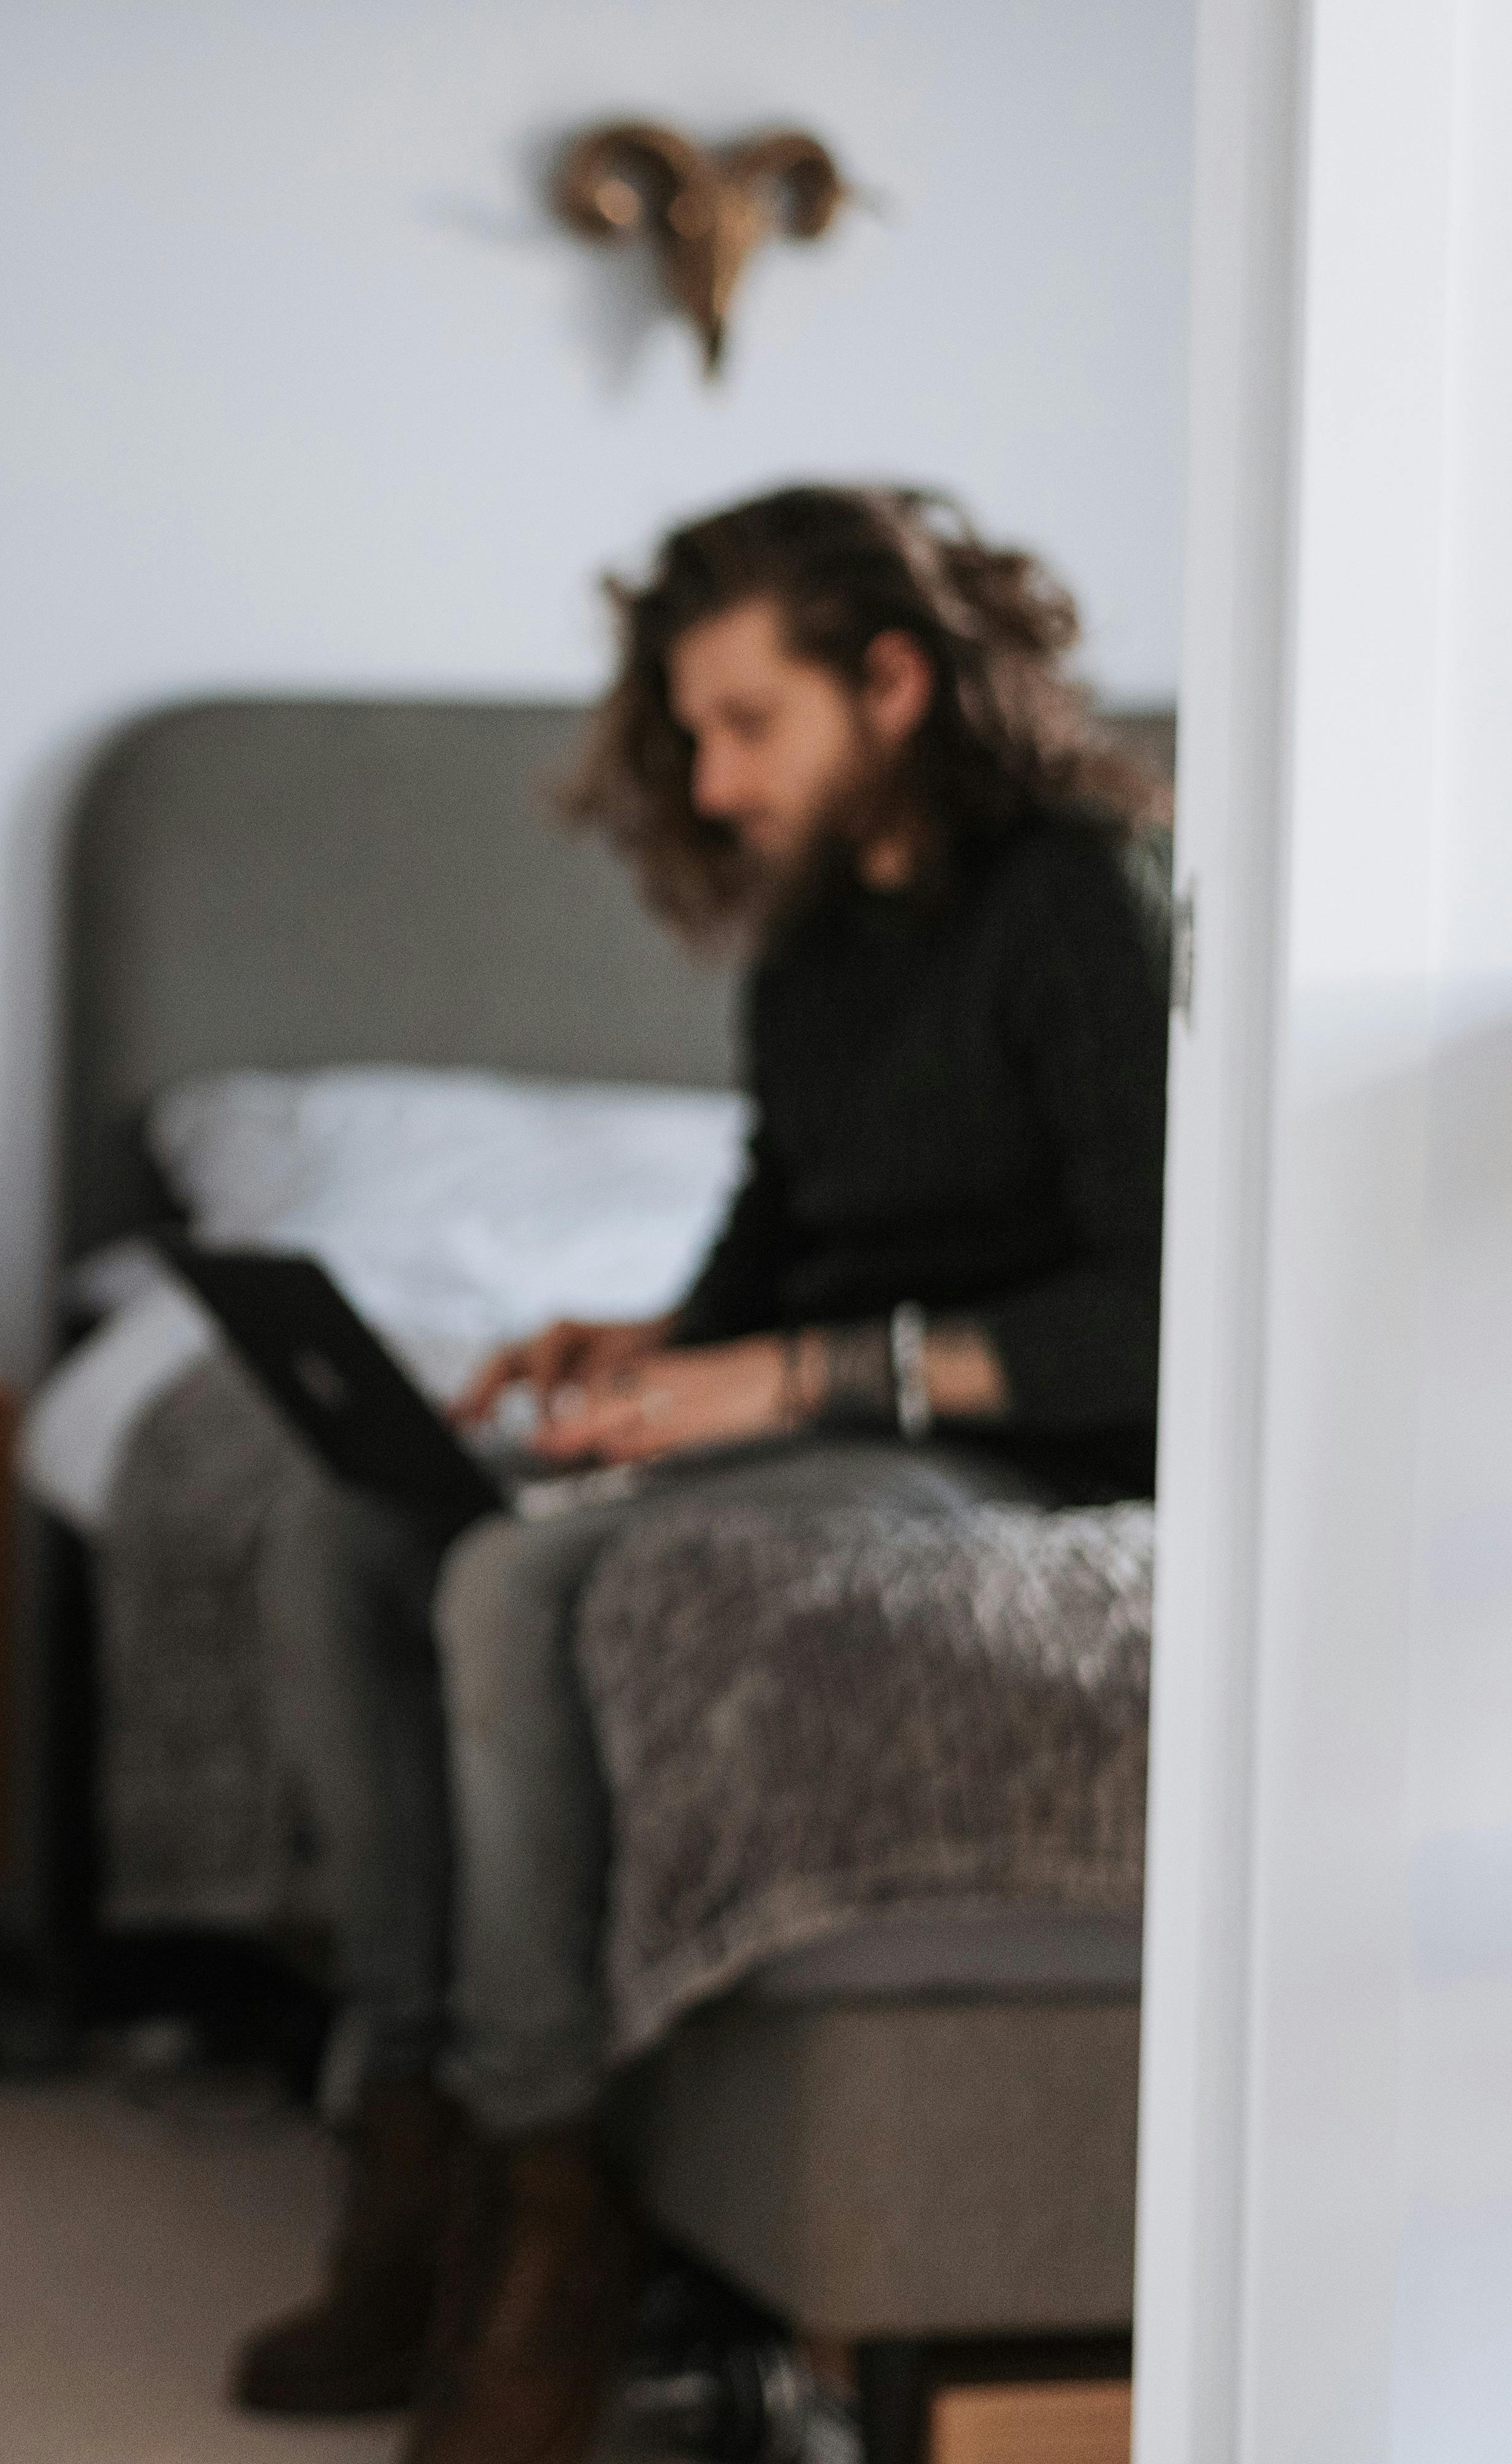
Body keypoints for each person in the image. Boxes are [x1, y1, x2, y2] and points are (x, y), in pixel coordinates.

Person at [226, 487, 1169, 2464]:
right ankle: (400, 2156)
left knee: (517, 1585)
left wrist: (800, 1377)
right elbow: (774, 1233)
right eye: (695, 733)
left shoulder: (1081, 898)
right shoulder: (819, 941)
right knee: (356, 1523)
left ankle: (548, 2192)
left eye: (749, 724)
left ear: (894, 683)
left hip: (1022, 1460)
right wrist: (646, 1354)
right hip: (833, 1415)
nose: (714, 778)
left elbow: (1155, 1303)